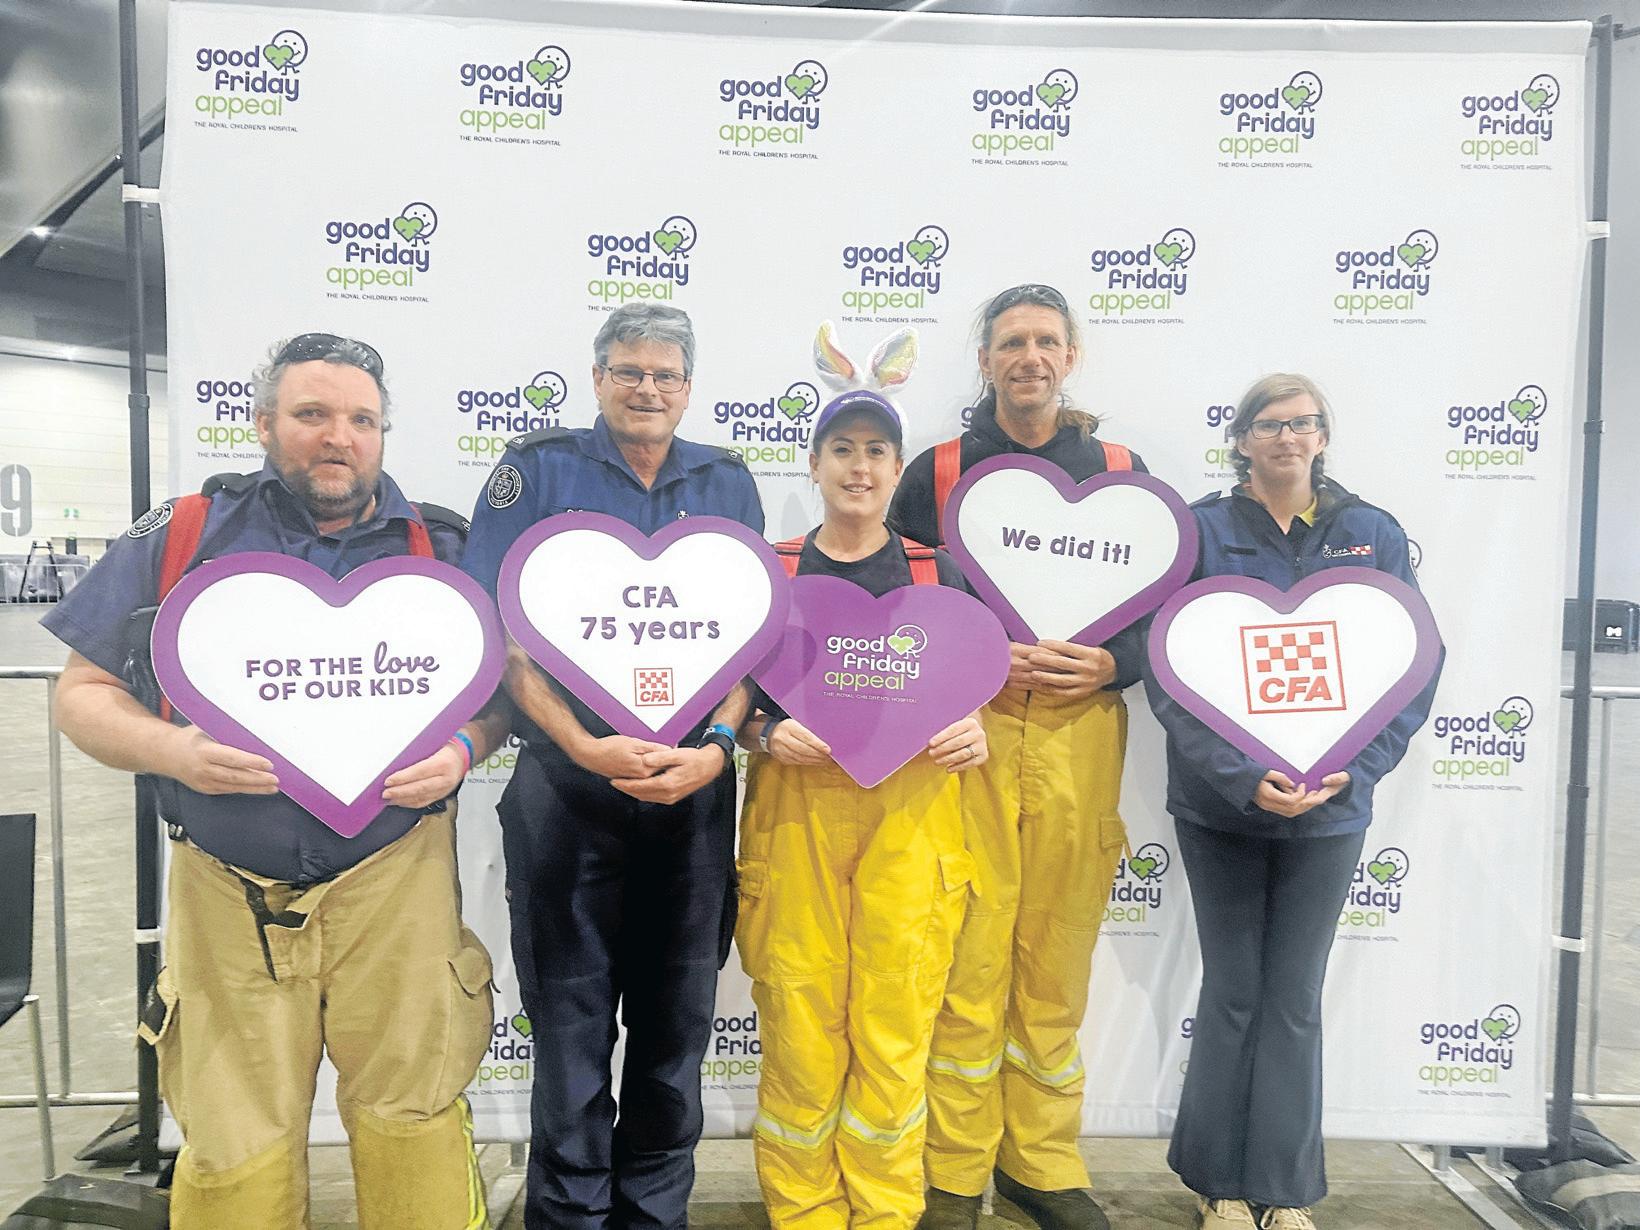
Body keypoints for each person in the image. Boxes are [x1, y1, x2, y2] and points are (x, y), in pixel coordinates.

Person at [46, 332, 508, 1229]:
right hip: (226, 893)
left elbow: (501, 699)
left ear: (382, 434)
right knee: (233, 1141)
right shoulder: (181, 536)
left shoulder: (443, 548)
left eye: (361, 420)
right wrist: (173, 752)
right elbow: (82, 696)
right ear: (262, 424)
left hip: (398, 884)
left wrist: (463, 748)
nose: (339, 436)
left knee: (413, 1120)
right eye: (312, 414)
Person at [460, 302, 764, 1228]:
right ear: (597, 378)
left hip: (691, 797)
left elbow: (752, 644)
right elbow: (497, 634)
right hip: (566, 791)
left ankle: (655, 1215)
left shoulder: (727, 479)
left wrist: (716, 751)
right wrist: (582, 743)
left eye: (666, 374)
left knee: (677, 1033)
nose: (647, 389)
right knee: (568, 1030)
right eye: (629, 371)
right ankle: (569, 1217)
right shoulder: (536, 469)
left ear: (689, 388)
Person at [1145, 374, 1441, 1230]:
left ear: (1323, 436)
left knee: (1294, 998)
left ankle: (1280, 1191)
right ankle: (1217, 1185)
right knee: (1234, 991)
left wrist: (1361, 768)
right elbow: (1169, 674)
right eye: (1270, 424)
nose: (1287, 437)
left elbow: (1415, 665)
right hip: (1221, 810)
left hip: (1331, 810)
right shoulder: (1200, 531)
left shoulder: (1371, 533)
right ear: (1241, 439)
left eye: (1303, 423)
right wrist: (1242, 777)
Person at [890, 284, 1145, 1230]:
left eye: (1045, 341)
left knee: (1056, 954)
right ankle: (953, 1172)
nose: (1028, 357)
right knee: (966, 955)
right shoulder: (937, 472)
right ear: (985, 360)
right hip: (970, 735)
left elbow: (1168, 611)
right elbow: (895, 601)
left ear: (1070, 356)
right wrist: (976, 656)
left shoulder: (1121, 473)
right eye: (1010, 343)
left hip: (1083, 730)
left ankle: (1041, 1163)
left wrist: (1115, 663)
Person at [735, 358, 990, 1228]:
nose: (859, 466)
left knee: (896, 1025)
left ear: (896, 468)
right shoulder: (770, 574)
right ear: (813, 464)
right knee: (800, 1023)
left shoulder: (939, 575)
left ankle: (884, 1213)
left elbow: (972, 691)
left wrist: (976, 732)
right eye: (842, 448)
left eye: (877, 451)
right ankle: (803, 1211)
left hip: (913, 823)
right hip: (795, 818)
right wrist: (764, 734)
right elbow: (727, 705)